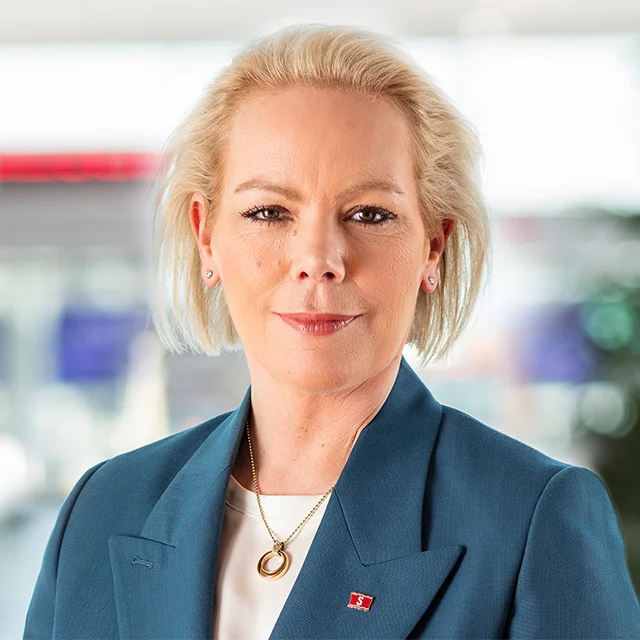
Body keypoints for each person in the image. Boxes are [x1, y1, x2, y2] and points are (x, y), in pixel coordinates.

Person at [23, 23, 640, 640]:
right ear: (206, 237)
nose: (319, 257)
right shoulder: (102, 509)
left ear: (433, 245)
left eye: (369, 213)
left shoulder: (534, 519)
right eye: (269, 212)